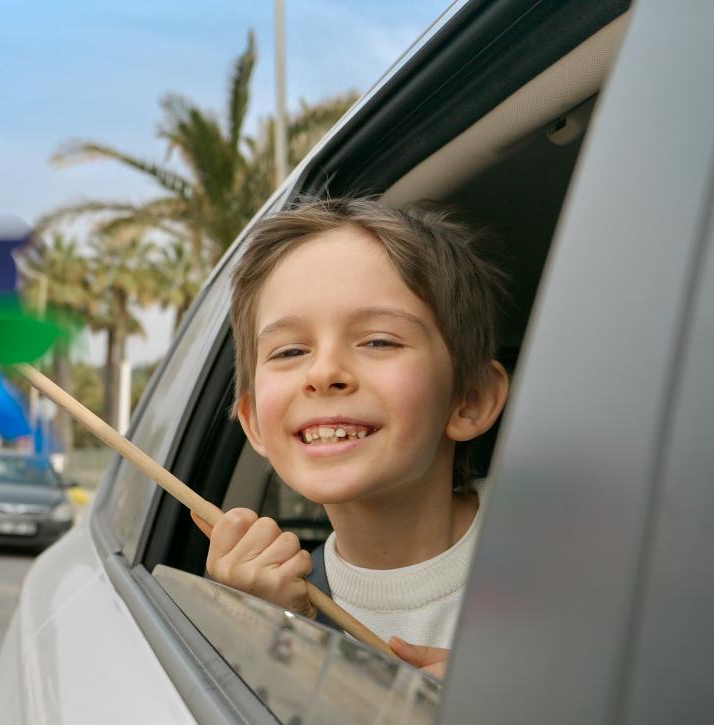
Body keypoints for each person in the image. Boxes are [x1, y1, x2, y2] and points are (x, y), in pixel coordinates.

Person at [191, 197, 509, 678]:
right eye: (291, 350)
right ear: (254, 422)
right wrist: (256, 632)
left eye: (378, 340)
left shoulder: (577, 553)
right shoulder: (276, 602)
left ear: (470, 400)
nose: (323, 373)